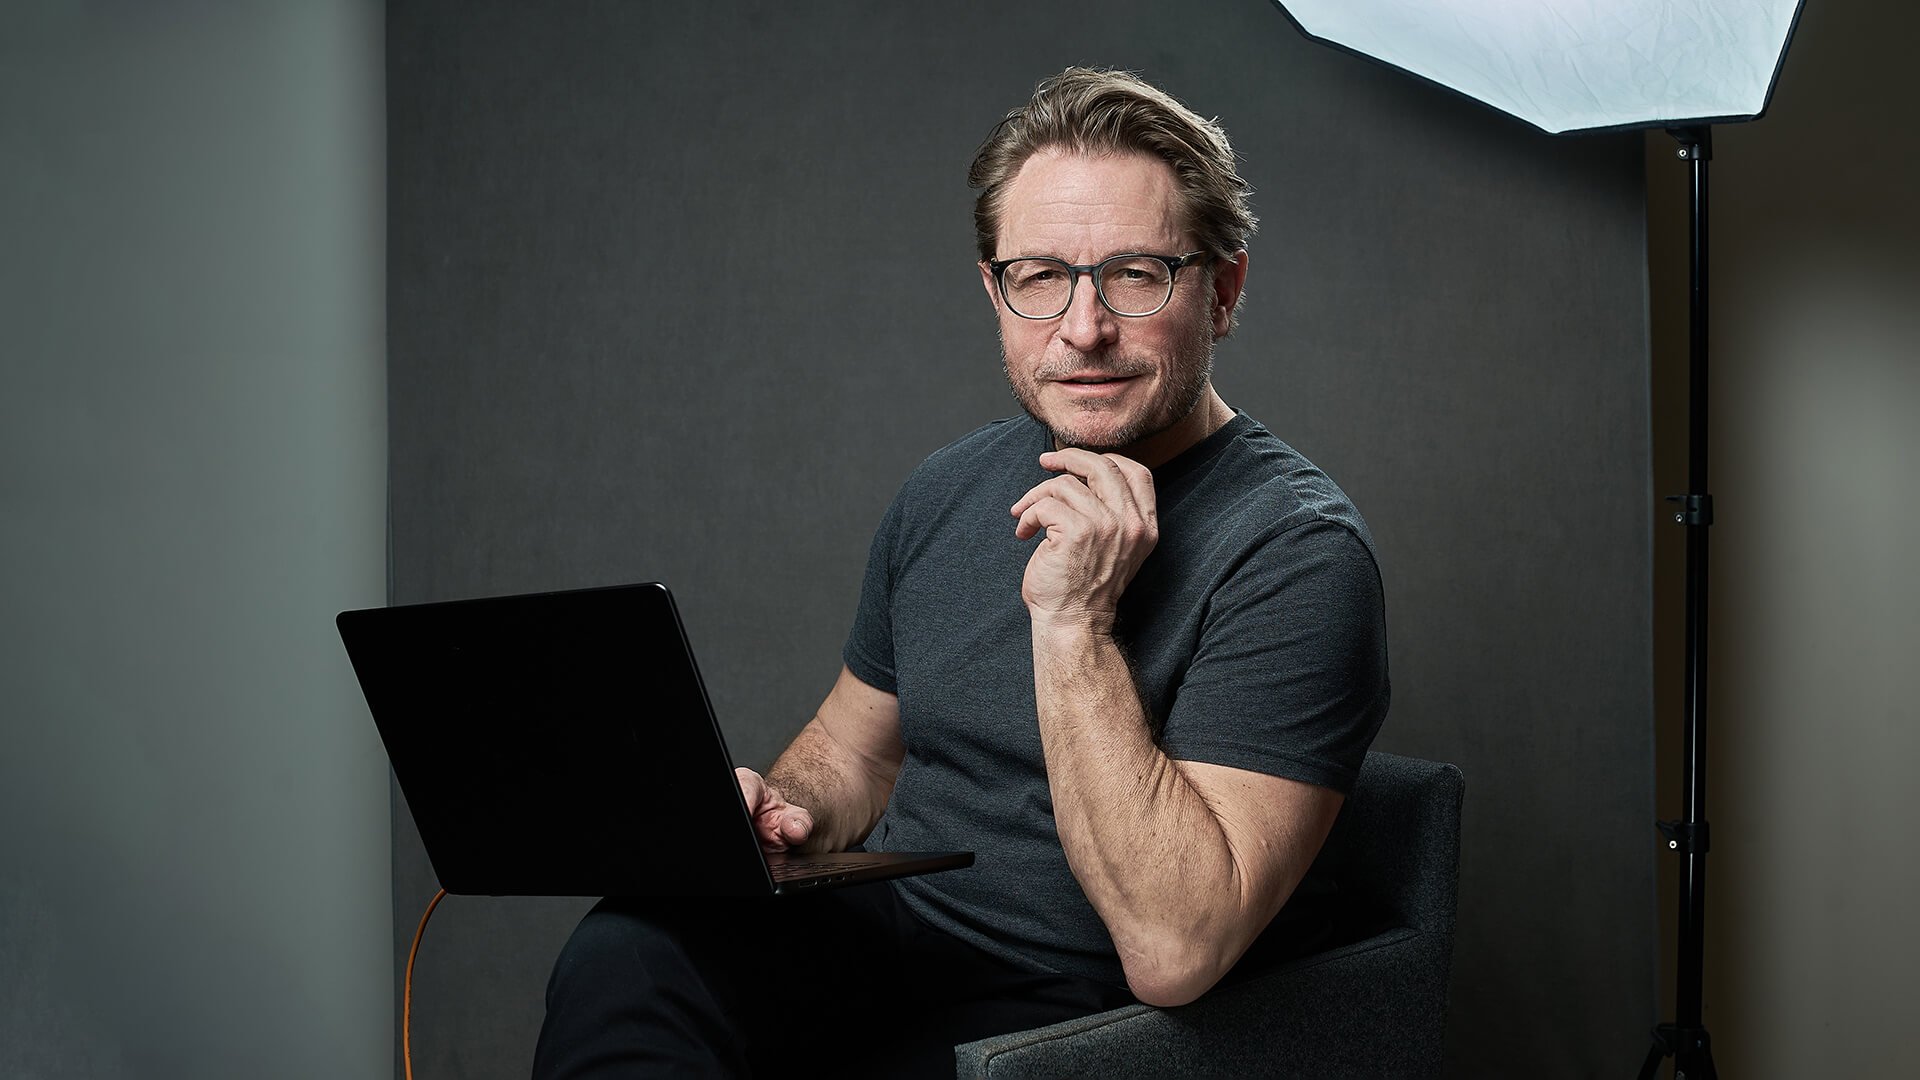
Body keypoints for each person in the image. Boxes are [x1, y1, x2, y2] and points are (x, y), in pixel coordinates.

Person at [532, 67, 1388, 1078]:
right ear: (995, 289)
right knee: (626, 953)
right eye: (1041, 277)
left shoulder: (1297, 550)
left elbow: (1175, 947)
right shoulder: (945, 489)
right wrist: (778, 809)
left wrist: (1074, 623)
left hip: (1086, 1007)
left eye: (1136, 274)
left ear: (1225, 289)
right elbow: (857, 754)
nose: (1083, 329)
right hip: (901, 936)